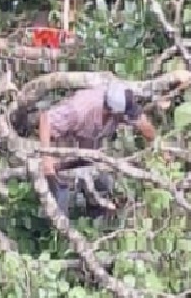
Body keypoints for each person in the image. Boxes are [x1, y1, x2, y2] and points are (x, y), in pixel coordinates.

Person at [38, 80, 156, 214]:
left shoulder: (121, 107)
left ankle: (97, 215)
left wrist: (152, 141)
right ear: (112, 111)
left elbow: (144, 126)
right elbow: (46, 119)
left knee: (104, 184)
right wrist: (46, 158)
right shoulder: (80, 109)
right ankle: (55, 227)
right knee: (60, 200)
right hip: (60, 147)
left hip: (88, 152)